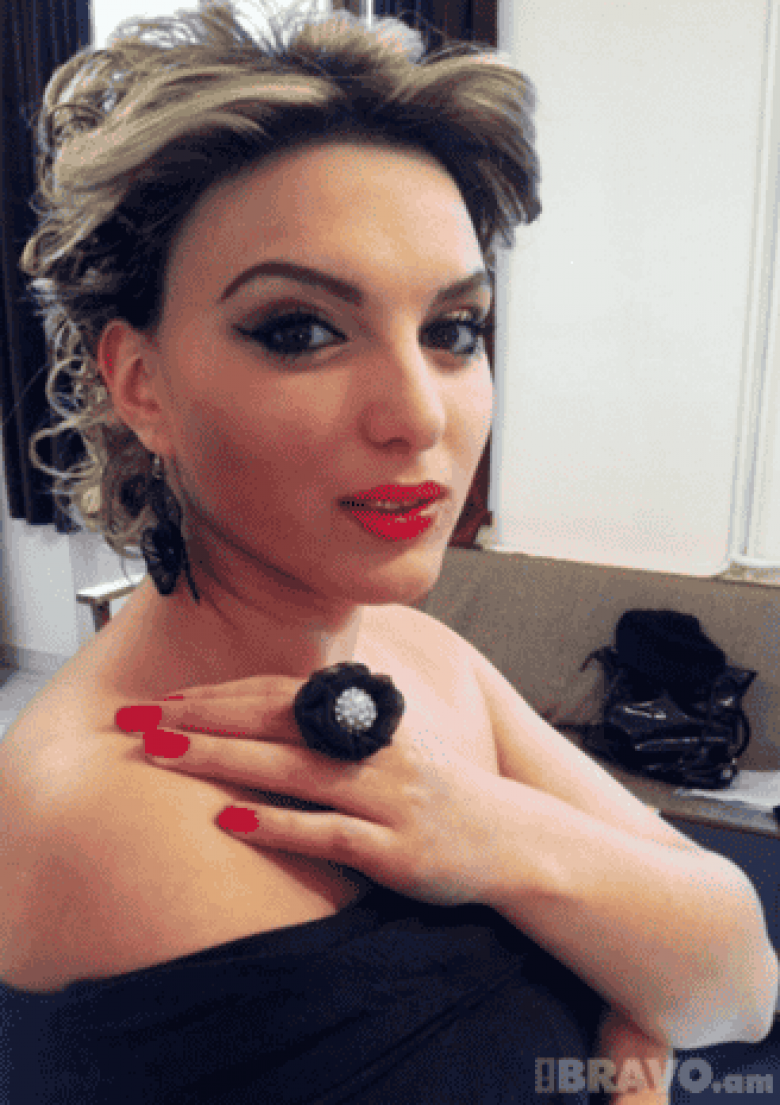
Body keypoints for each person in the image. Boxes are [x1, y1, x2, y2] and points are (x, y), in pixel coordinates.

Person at [0, 2, 775, 1101]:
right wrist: (617, 963)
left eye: (454, 331)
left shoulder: (424, 654)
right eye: (301, 330)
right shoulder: (94, 818)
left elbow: (742, 981)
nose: (418, 415)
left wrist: (483, 829)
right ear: (141, 383)